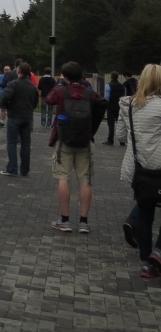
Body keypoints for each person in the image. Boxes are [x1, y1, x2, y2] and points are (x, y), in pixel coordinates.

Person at [46, 62, 105, 233]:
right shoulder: (89, 94)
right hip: (85, 140)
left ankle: (64, 220)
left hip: (64, 138)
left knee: (63, 177)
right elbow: (100, 105)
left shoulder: (61, 91)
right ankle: (84, 221)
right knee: (85, 179)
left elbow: (49, 100)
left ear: (65, 76)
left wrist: (59, 85)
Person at [116, 64, 161, 278]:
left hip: (138, 169)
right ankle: (158, 253)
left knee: (145, 214)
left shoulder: (128, 105)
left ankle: (145, 260)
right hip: (159, 167)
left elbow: (120, 137)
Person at [0, 63, 39, 177]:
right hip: (28, 116)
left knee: (12, 142)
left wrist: (4, 106)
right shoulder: (32, 86)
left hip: (15, 115)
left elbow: (5, 97)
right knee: (26, 144)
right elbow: (35, 101)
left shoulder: (13, 84)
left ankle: (12, 168)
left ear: (18, 71)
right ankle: (24, 169)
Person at [104, 72, 123, 145]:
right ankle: (122, 141)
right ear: (118, 77)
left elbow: (107, 97)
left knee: (111, 124)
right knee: (121, 124)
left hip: (111, 107)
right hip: (120, 107)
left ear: (111, 77)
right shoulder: (122, 86)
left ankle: (110, 140)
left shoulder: (108, 85)